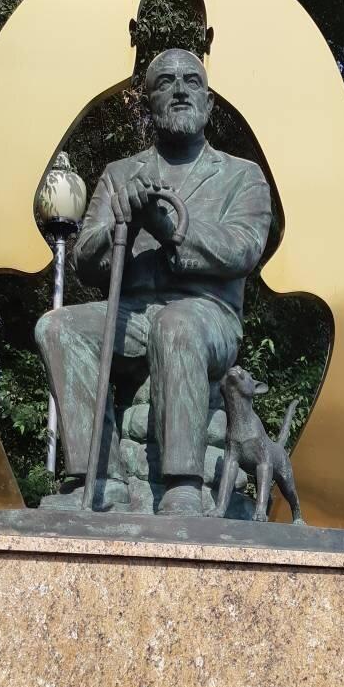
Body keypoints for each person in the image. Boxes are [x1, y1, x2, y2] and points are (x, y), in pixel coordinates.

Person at [35, 48, 271, 515]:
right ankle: (98, 480)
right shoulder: (121, 175)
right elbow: (85, 259)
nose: (180, 90)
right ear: (149, 104)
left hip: (209, 316)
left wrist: (170, 227)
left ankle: (183, 484)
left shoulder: (243, 177)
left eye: (192, 82)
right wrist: (126, 223)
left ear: (208, 104)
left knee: (177, 325)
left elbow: (242, 248)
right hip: (133, 314)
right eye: (165, 83)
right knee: (57, 327)